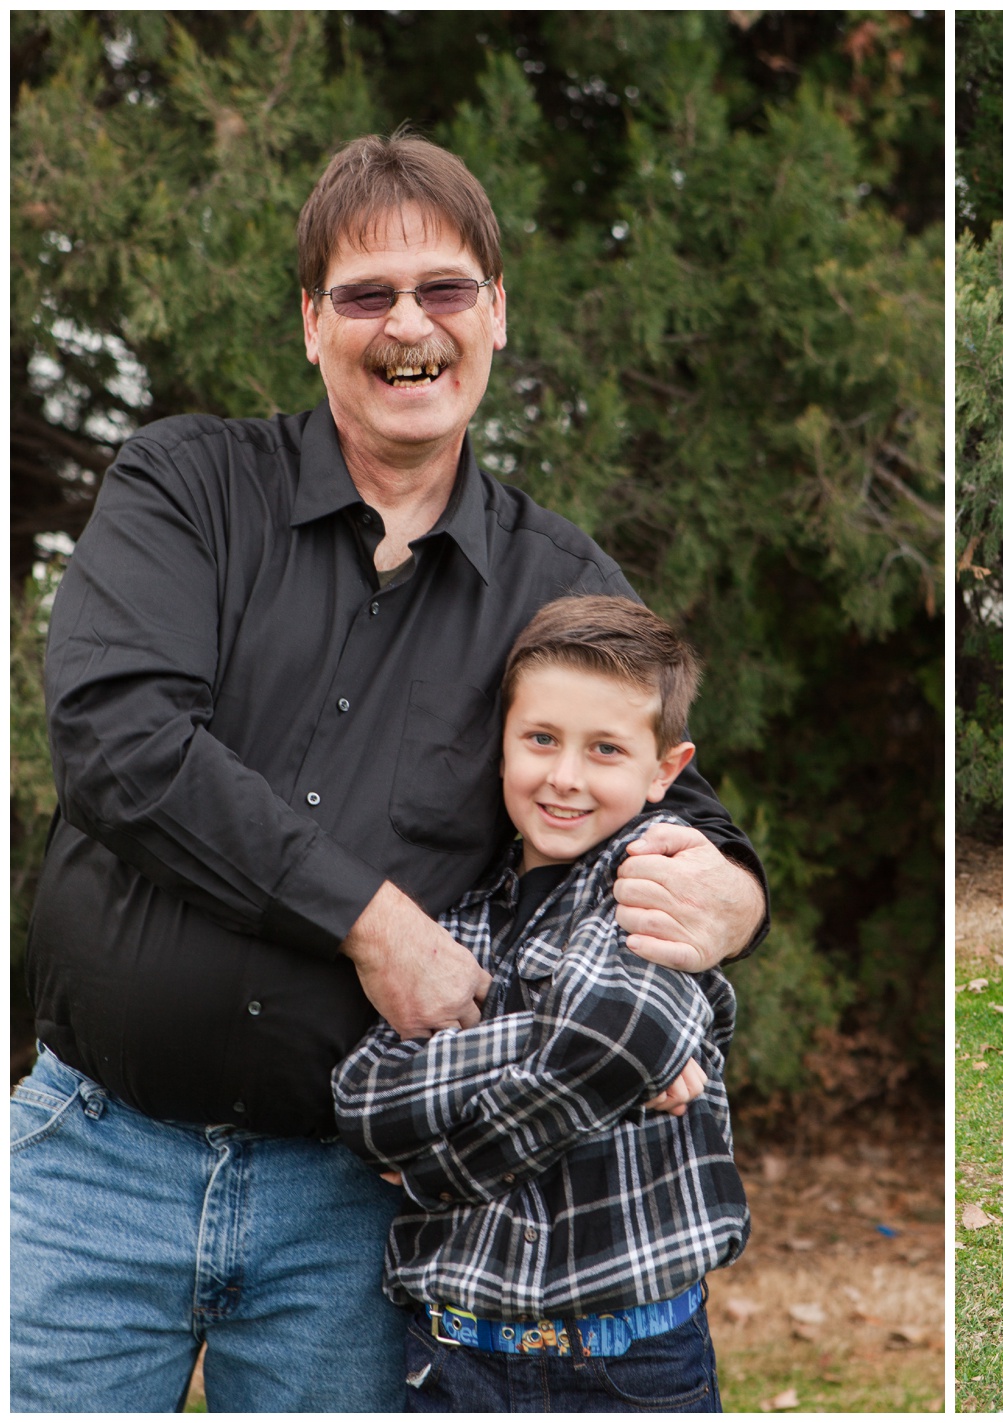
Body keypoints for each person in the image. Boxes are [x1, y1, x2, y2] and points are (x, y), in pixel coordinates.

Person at [12, 132, 767, 1413]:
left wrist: (729, 899)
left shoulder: (557, 580)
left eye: (445, 290)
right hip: (96, 1164)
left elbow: (666, 799)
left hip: (360, 1214)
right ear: (312, 325)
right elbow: (117, 740)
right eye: (366, 294)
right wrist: (375, 925)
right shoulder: (187, 485)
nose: (408, 325)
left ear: (496, 315)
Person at [335, 596, 746, 1411]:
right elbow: (365, 1098)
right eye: (542, 740)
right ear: (503, 743)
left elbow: (616, 1042)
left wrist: (433, 1175)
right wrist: (563, 1043)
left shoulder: (656, 880)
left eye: (605, 749)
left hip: (628, 1360)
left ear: (665, 767)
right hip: (454, 1357)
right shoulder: (454, 904)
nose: (565, 776)